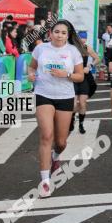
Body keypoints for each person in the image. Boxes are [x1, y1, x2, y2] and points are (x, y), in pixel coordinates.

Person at [26, 20, 85, 198]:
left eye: (63, 33)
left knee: (61, 142)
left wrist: (65, 74)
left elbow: (80, 76)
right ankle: (45, 182)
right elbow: (31, 66)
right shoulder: (41, 49)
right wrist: (30, 74)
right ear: (50, 33)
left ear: (68, 35)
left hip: (65, 97)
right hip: (43, 94)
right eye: (56, 32)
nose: (59, 35)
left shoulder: (73, 51)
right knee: (46, 136)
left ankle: (55, 156)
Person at [71, 31, 100, 134]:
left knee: (83, 103)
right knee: (73, 104)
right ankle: (72, 117)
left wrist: (90, 66)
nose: (82, 40)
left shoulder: (87, 48)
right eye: (80, 38)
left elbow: (97, 58)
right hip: (73, 77)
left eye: (84, 38)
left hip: (84, 77)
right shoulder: (71, 48)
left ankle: (81, 124)